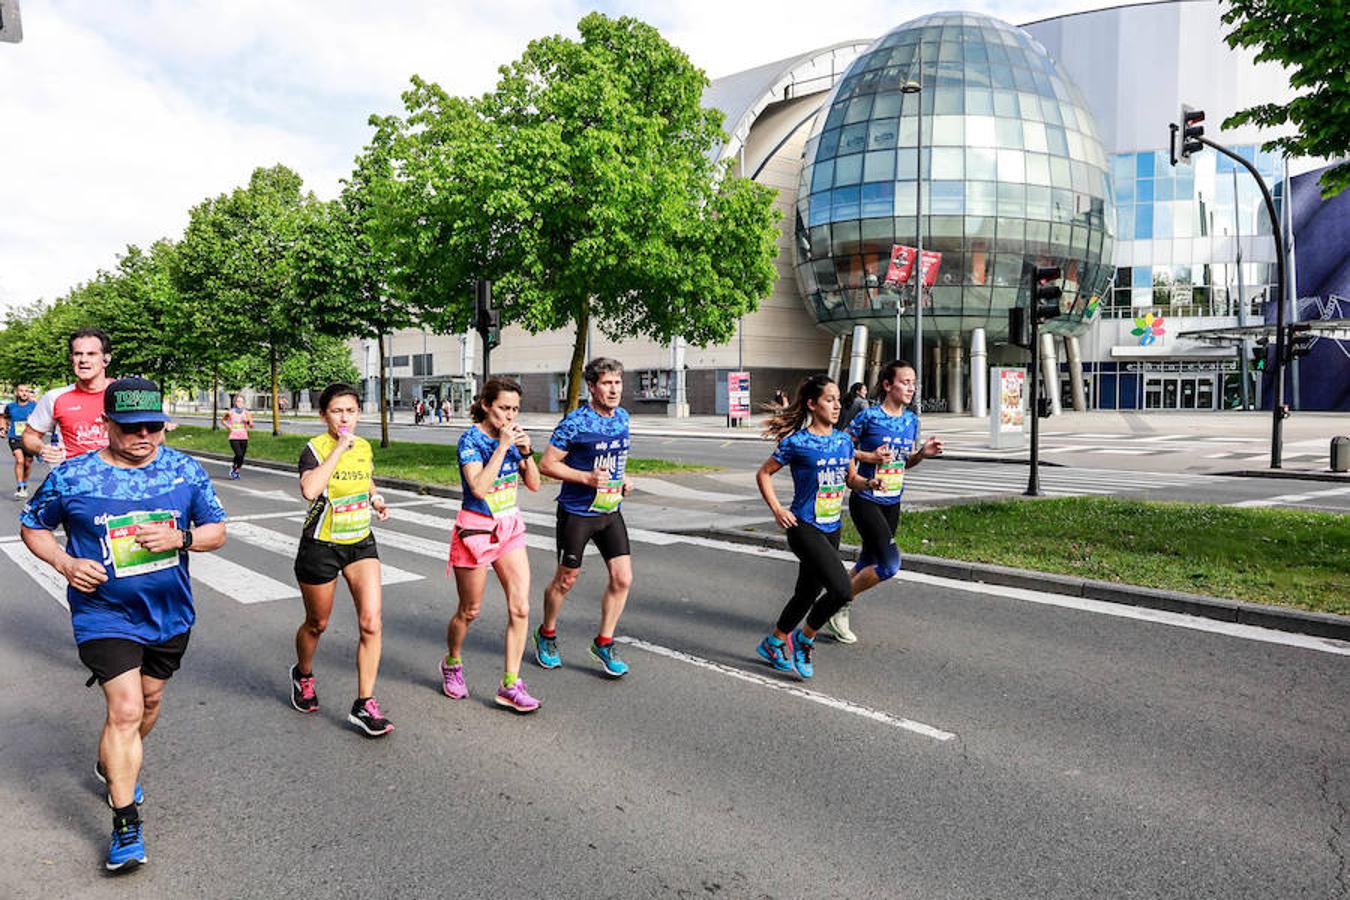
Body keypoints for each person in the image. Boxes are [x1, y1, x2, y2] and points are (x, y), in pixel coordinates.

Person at [19, 377, 227, 872]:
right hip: (103, 612)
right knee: (127, 709)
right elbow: (32, 526)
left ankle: (113, 763)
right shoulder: (74, 477)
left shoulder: (184, 469)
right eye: (131, 427)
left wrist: (182, 538)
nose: (144, 436)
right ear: (105, 424)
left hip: (169, 612)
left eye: (154, 426)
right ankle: (125, 824)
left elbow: (217, 531)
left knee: (150, 700)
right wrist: (66, 564)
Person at [753, 374, 878, 679]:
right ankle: (804, 639)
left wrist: (869, 482)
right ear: (812, 404)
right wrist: (777, 509)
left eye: (838, 400)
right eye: (829, 400)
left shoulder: (844, 442)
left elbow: (851, 479)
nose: (837, 406)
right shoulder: (797, 442)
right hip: (803, 526)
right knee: (842, 590)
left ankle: (774, 643)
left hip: (832, 526)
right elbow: (764, 474)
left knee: (806, 593)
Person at [288, 383, 394, 737]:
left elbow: (364, 478)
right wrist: (337, 449)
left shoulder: (363, 446)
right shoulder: (315, 449)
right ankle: (303, 674)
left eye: (350, 410)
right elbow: (310, 489)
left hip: (360, 543)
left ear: (359, 413)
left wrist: (376, 498)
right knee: (317, 623)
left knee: (371, 623)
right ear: (323, 416)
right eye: (337, 411)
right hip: (321, 545)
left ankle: (364, 703)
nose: (345, 417)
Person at [440, 378, 543, 712]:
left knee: (521, 607)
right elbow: (479, 488)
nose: (510, 416)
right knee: (470, 610)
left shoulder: (515, 438)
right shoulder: (470, 440)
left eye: (514, 409)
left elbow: (536, 485)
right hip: (476, 530)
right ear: (486, 405)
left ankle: (510, 684)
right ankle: (452, 663)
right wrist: (502, 446)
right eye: (503, 408)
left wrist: (526, 453)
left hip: (509, 527)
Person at [824, 361, 943, 644]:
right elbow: (841, 448)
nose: (911, 388)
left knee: (869, 559)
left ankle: (836, 604)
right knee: (889, 565)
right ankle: (836, 604)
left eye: (913, 382)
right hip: (866, 499)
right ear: (888, 385)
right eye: (905, 382)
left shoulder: (911, 420)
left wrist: (922, 454)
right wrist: (869, 458)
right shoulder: (869, 417)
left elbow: (904, 462)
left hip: (893, 501)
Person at [534, 357, 634, 677]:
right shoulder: (575, 423)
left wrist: (623, 481)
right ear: (591, 387)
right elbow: (547, 465)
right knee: (566, 580)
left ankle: (604, 642)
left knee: (623, 578)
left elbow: (616, 460)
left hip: (609, 510)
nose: (614, 389)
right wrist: (586, 478)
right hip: (577, 513)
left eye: (617, 382)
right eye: (607, 383)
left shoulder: (623, 418)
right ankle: (546, 634)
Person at [23, 327, 113, 465]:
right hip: (72, 480)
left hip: (117, 480)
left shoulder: (124, 394)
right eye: (78, 354)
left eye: (91, 354)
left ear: (106, 359)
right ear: (72, 358)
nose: (83, 360)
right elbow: (29, 436)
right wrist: (42, 449)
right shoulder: (54, 397)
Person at [4, 383, 37, 499]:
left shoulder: (34, 406)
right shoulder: (10, 406)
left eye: (26, 391)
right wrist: (3, 428)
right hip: (15, 437)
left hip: (29, 438)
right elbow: (5, 417)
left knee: (28, 463)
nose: (24, 393)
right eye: (21, 391)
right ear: (17, 393)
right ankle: (19, 486)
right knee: (19, 460)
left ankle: (25, 484)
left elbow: (41, 420)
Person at [220, 394, 254, 480]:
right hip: (233, 436)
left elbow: (251, 425)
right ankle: (234, 468)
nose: (240, 403)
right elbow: (223, 420)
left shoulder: (247, 413)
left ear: (244, 403)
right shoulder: (230, 412)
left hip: (244, 436)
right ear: (235, 402)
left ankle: (236, 470)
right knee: (238, 454)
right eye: (238, 401)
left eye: (241, 401)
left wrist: (247, 421)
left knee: (241, 456)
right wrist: (229, 427)